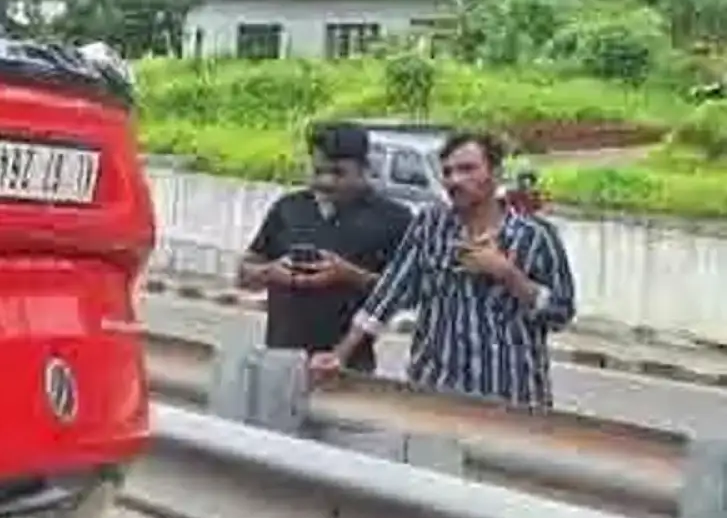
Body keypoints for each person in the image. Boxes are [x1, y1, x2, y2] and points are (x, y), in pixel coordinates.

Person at [310, 132, 578, 408]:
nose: (454, 180)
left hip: (513, 402)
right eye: (448, 172)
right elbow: (390, 293)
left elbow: (561, 312)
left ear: (495, 173)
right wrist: (340, 354)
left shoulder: (535, 236)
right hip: (435, 395)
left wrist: (508, 275)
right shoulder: (430, 226)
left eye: (467, 169)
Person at [236, 122, 413, 374]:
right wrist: (271, 272)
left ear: (364, 168)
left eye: (339, 173)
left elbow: (405, 296)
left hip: (348, 369)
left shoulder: (395, 219)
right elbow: (243, 275)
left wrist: (349, 275)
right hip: (280, 365)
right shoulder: (288, 208)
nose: (326, 181)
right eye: (318, 171)